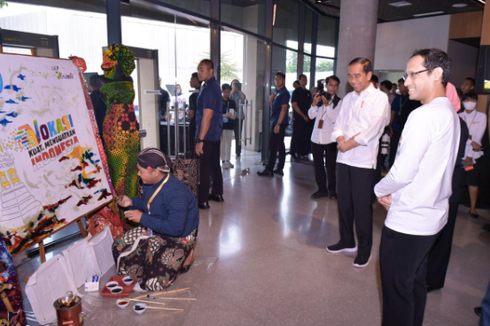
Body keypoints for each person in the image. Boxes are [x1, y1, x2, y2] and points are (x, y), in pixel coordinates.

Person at [375, 48, 460, 326]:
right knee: (413, 286)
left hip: (409, 221)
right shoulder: (448, 112)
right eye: (406, 75)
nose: (406, 81)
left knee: (397, 292)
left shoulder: (424, 115)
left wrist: (379, 189)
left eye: (413, 74)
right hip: (431, 217)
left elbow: (402, 172)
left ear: (436, 74)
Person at [326, 58, 390, 268]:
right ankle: (346, 241)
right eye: (350, 76)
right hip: (344, 159)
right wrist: (340, 141)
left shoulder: (380, 98)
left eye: (357, 75)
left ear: (369, 75)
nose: (353, 80)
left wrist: (346, 144)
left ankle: (365, 250)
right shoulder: (348, 99)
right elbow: (338, 124)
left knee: (362, 208)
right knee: (343, 203)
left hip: (363, 162)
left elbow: (372, 131)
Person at [112, 148, 199, 291]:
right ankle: (154, 253)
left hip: (177, 234)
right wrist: (131, 202)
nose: (138, 174)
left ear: (156, 172)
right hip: (156, 226)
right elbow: (150, 203)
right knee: (118, 246)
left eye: (141, 171)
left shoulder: (176, 193)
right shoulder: (150, 183)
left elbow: (176, 228)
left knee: (155, 282)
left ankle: (187, 254)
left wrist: (142, 218)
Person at [426, 112, 468, 291]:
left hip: (448, 180)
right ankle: (427, 276)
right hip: (439, 180)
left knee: (442, 233)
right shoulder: (449, 120)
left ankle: (433, 279)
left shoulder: (455, 123)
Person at [195, 59, 224, 209]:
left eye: (202, 70)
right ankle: (217, 193)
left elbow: (207, 115)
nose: (199, 72)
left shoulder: (208, 89)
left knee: (204, 166)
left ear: (210, 71)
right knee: (214, 164)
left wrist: (200, 139)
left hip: (207, 135)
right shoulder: (213, 86)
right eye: (198, 70)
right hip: (215, 133)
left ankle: (203, 200)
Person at [309, 75, 342, 199]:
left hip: (330, 139)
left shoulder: (339, 101)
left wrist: (327, 105)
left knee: (330, 166)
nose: (333, 87)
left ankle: (332, 190)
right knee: (318, 165)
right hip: (316, 138)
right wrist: (314, 103)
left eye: (335, 85)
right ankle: (321, 189)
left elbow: (335, 119)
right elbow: (311, 116)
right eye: (331, 85)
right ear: (326, 85)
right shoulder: (319, 98)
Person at [459, 92, 487, 218]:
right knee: (457, 180)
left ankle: (473, 208)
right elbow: (461, 136)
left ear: (476, 101)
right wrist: (470, 140)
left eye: (472, 99)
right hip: (460, 155)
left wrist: (469, 155)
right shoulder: (459, 116)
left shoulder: (482, 116)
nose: (469, 102)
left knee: (473, 182)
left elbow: (478, 138)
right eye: (467, 99)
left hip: (473, 156)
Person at [257, 72, 290, 177]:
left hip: (279, 123)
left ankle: (269, 169)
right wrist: (271, 101)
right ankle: (279, 168)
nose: (277, 81)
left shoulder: (284, 93)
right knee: (280, 145)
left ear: (283, 80)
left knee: (273, 145)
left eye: (279, 79)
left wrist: (278, 124)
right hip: (276, 121)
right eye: (276, 79)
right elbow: (275, 109)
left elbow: (284, 109)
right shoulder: (278, 92)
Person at [388, 78, 422, 168]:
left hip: (407, 128)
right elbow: (393, 111)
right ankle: (391, 166)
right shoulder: (397, 98)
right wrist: (390, 125)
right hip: (396, 127)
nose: (399, 87)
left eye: (400, 85)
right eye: (398, 85)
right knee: (393, 148)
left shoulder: (413, 99)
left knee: (404, 149)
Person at [290, 74, 312, 161]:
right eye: (303, 79)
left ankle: (302, 152)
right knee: (297, 135)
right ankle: (293, 152)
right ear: (299, 81)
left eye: (306, 79)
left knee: (305, 135)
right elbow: (295, 105)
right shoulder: (296, 92)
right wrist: (303, 115)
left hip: (307, 117)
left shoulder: (307, 92)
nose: (304, 81)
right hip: (299, 118)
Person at [220, 83, 236, 169]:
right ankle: (223, 160)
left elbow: (235, 111)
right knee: (223, 143)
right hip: (222, 125)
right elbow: (217, 114)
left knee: (229, 143)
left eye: (229, 92)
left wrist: (234, 116)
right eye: (225, 92)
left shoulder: (232, 102)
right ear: (222, 91)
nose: (227, 94)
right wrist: (225, 115)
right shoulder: (219, 101)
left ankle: (228, 159)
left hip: (230, 124)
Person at [231, 79, 246, 158]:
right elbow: (227, 100)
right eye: (234, 84)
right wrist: (232, 91)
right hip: (231, 117)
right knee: (229, 135)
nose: (235, 85)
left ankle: (238, 152)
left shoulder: (241, 94)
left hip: (239, 116)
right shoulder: (230, 93)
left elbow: (244, 101)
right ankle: (227, 153)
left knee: (238, 135)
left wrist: (240, 91)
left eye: (237, 84)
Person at [187, 72, 201, 157]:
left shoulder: (193, 96)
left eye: (191, 79)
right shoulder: (204, 93)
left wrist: (187, 112)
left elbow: (191, 114)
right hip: (203, 125)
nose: (190, 82)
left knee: (193, 149)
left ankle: (194, 169)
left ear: (196, 80)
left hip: (195, 124)